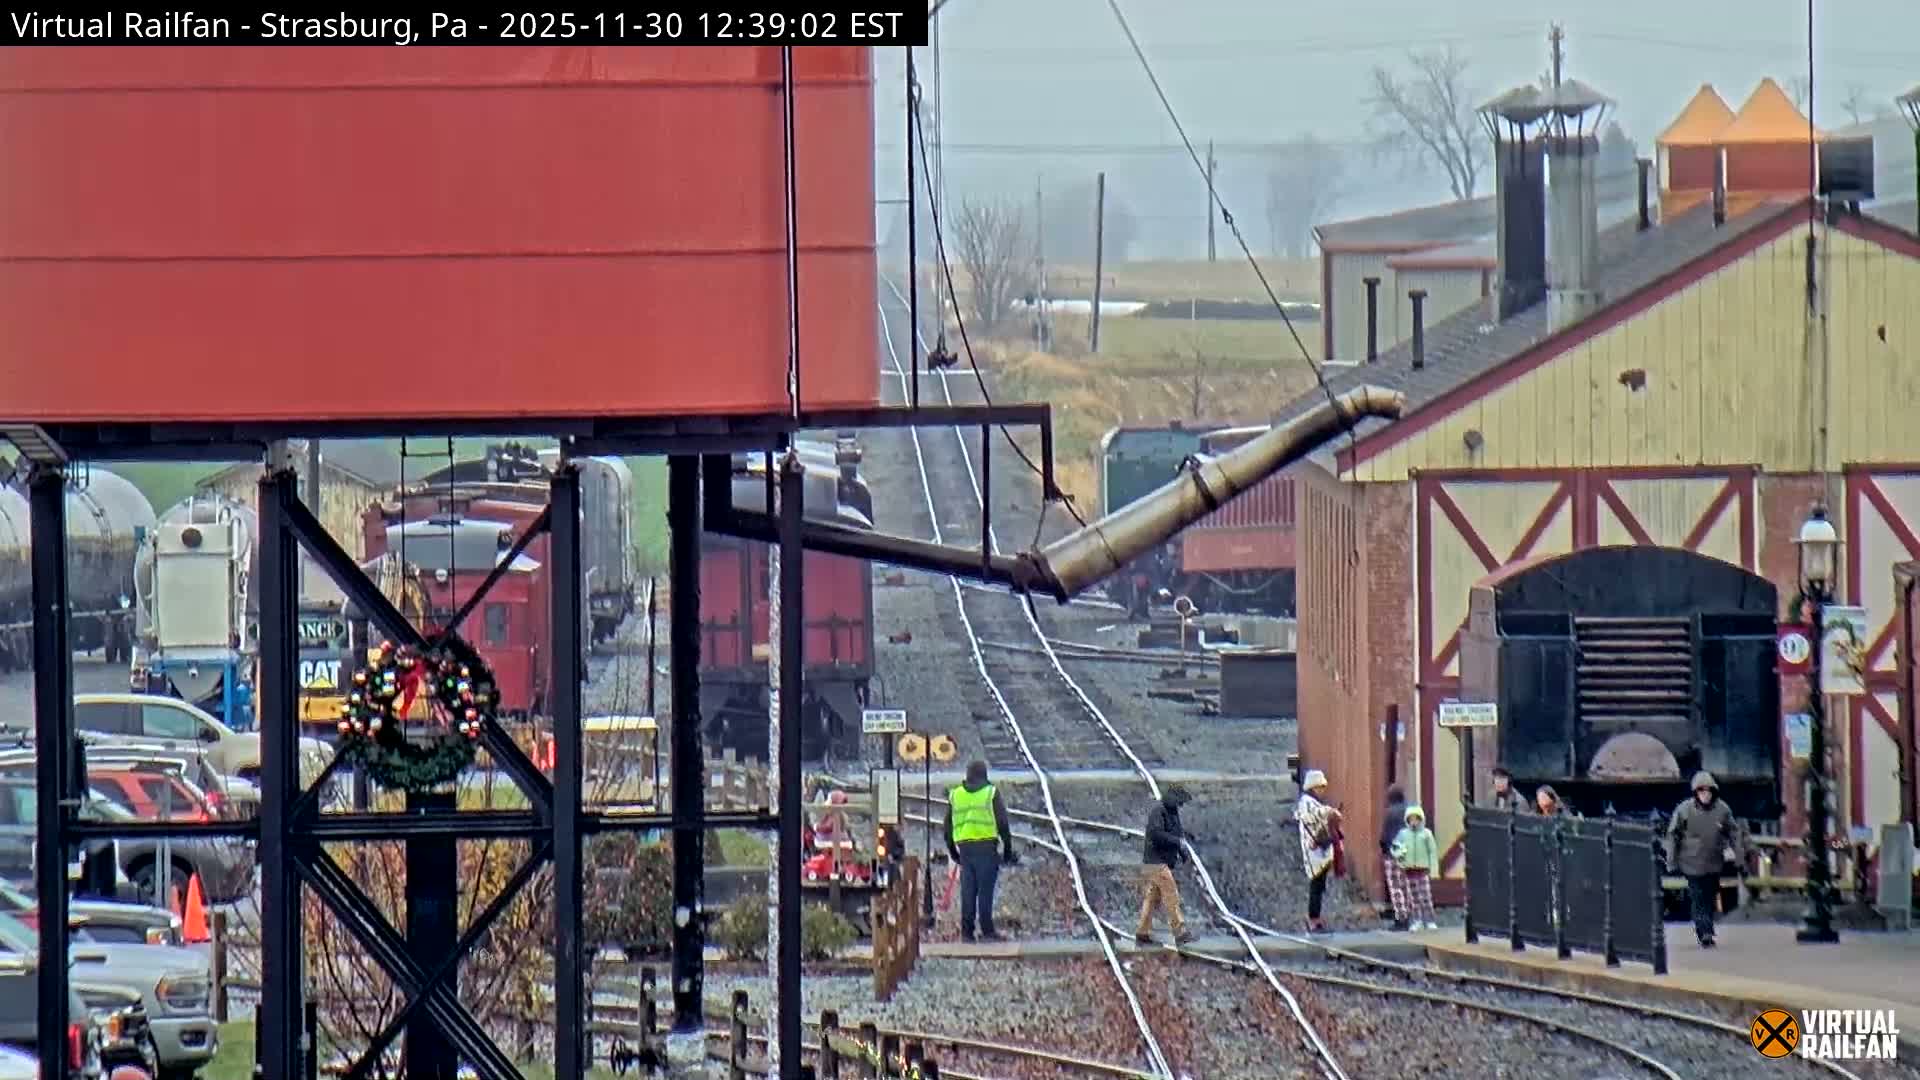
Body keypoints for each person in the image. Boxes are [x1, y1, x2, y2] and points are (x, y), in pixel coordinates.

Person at [1665, 771, 1746, 948]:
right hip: (1691, 864)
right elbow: (1673, 835)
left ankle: (1706, 929)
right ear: (1695, 792)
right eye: (1701, 791)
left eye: (1708, 791)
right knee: (1698, 898)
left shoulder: (1722, 810)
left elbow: (1734, 834)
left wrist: (1739, 858)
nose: (1705, 794)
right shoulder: (1684, 810)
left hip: (1713, 863)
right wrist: (1671, 861)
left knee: (1709, 897)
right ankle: (1705, 932)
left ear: (1713, 792)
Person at [943, 760, 1015, 942]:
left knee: (968, 891)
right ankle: (987, 931)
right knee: (985, 891)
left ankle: (967, 933)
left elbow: (947, 828)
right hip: (986, 848)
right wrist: (1007, 848)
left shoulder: (956, 795)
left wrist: (953, 852)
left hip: (965, 850)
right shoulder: (990, 793)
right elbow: (1002, 823)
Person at [1137, 785, 1197, 946]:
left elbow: (1179, 837)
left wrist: (1184, 855)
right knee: (1171, 895)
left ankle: (1142, 932)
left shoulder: (1172, 813)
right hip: (1156, 862)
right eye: (1180, 802)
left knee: (1152, 899)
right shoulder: (1158, 812)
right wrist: (1177, 842)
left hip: (1160, 863)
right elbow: (1156, 834)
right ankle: (1180, 932)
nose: (1181, 805)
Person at [1297, 770, 1342, 933]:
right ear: (1313, 787)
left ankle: (1315, 916)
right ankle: (1313, 918)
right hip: (1314, 851)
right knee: (1316, 885)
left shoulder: (1311, 802)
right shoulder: (1307, 803)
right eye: (1320, 787)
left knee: (1319, 885)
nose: (1322, 790)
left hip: (1318, 851)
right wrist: (1330, 812)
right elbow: (1315, 815)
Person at [1389, 804, 1439, 931]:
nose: (1414, 822)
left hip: (1423, 869)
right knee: (1414, 898)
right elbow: (1395, 848)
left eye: (1416, 819)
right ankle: (1417, 920)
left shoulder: (1426, 834)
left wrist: (1434, 869)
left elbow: (1432, 852)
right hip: (1410, 870)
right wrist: (1400, 857)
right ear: (1407, 820)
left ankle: (1430, 920)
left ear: (1421, 819)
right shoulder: (1403, 834)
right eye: (1411, 819)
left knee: (1426, 896)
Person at [1378, 787, 1409, 929]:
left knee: (1396, 887)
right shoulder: (1410, 811)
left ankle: (1401, 919)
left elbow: (1385, 836)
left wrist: (1384, 850)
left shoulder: (1390, 813)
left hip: (1394, 853)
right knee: (1406, 885)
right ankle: (1410, 915)